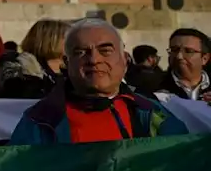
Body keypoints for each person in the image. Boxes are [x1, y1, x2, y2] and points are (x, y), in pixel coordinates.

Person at [10, 19, 188, 144]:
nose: (94, 60)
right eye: (80, 52)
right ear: (67, 63)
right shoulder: (39, 120)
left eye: (105, 51)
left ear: (125, 60)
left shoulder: (153, 113)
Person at [0, 19, 69, 100]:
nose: (74, 42)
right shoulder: (19, 65)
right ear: (50, 40)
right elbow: (18, 95)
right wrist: (34, 80)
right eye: (68, 38)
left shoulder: (73, 67)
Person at [138, 28, 210, 102]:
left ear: (204, 58)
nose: (179, 56)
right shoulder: (150, 87)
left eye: (188, 51)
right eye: (174, 50)